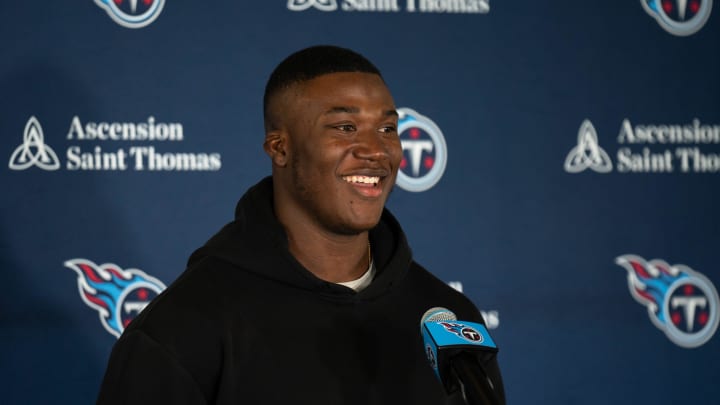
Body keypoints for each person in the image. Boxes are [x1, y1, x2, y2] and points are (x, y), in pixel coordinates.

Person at [96, 45, 505, 405]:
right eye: (345, 127)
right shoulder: (184, 328)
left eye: (387, 128)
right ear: (280, 147)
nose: (376, 151)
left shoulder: (448, 320)